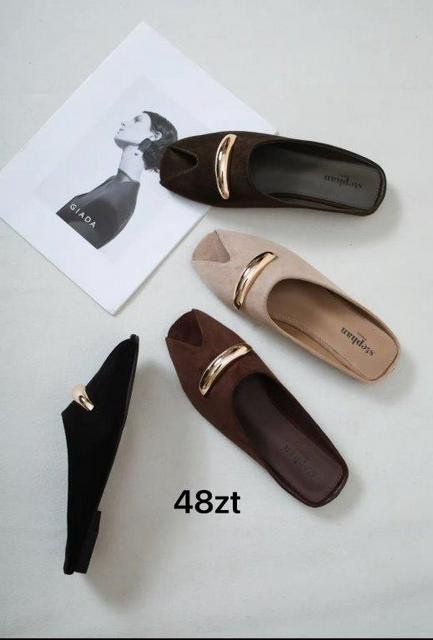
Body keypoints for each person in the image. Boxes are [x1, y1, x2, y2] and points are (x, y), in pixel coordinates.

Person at [56, 111, 178, 249]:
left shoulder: (115, 200)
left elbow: (65, 246)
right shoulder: (115, 183)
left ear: (154, 136)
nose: (124, 122)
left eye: (137, 120)